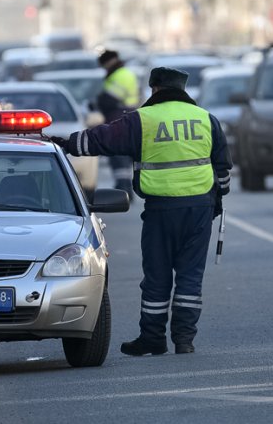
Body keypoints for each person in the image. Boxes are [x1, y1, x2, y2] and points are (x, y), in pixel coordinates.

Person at [52, 67, 232, 356]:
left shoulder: (143, 120)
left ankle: (153, 338)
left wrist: (66, 144)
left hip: (162, 211)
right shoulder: (206, 119)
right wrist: (217, 199)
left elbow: (103, 139)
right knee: (190, 276)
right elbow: (222, 169)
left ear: (156, 89)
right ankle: (184, 340)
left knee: (158, 275)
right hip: (200, 210)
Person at [96, 50, 139, 197]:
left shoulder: (121, 75)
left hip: (120, 116)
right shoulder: (121, 74)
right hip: (125, 115)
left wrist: (97, 103)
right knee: (122, 154)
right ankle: (125, 187)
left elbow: (110, 99)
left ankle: (124, 188)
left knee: (119, 154)